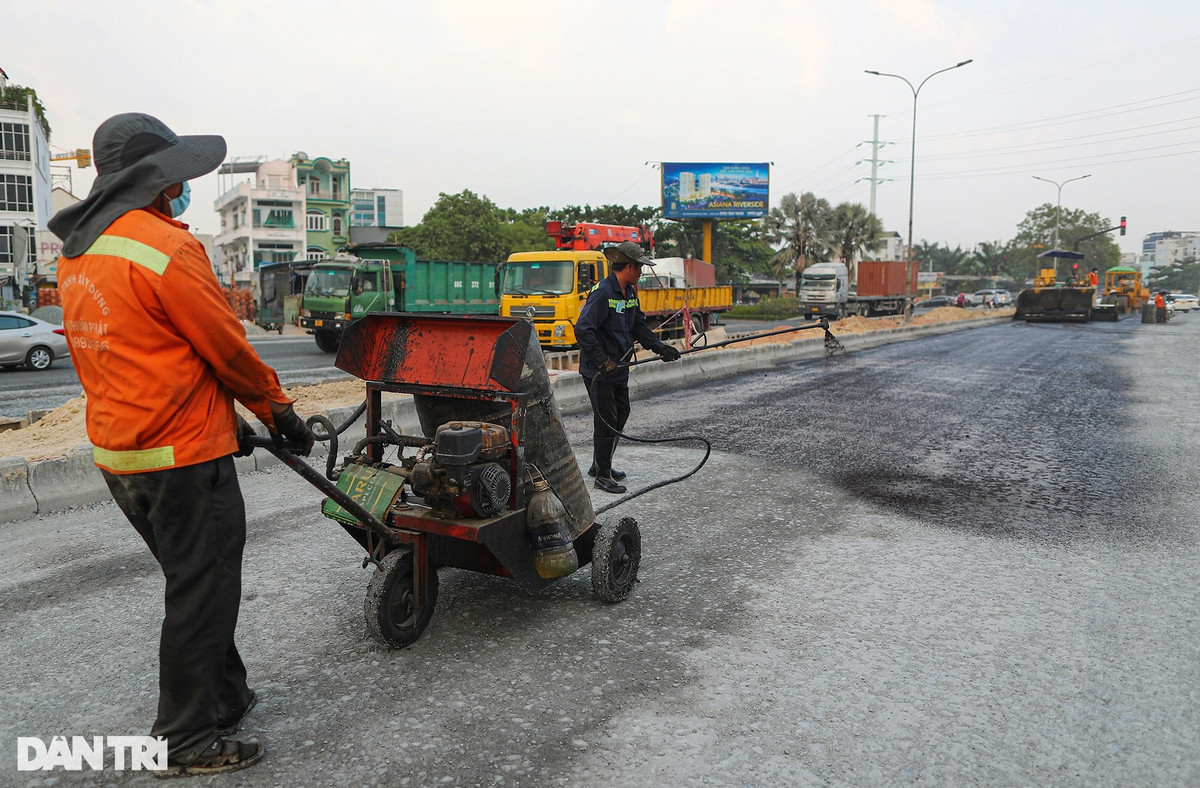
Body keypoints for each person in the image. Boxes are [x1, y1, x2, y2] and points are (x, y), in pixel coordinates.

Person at [48, 113, 315, 778]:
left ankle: (224, 695)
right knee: (203, 590)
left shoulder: (81, 250)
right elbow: (225, 347)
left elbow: (134, 356)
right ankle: (186, 737)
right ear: (159, 180)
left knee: (197, 582)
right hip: (181, 460)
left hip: (122, 455)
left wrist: (225, 423)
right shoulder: (165, 247)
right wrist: (277, 410)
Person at [575, 241, 681, 493]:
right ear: (629, 267)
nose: (642, 272)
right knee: (607, 421)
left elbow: (638, 327)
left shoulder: (630, 293)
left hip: (619, 367)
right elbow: (583, 329)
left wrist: (660, 347)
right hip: (599, 372)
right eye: (640, 268)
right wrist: (602, 361)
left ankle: (601, 463)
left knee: (621, 414)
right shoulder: (602, 293)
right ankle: (602, 475)